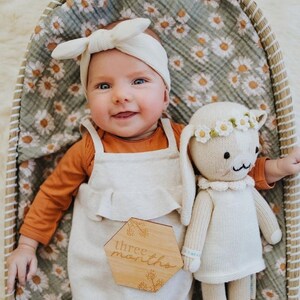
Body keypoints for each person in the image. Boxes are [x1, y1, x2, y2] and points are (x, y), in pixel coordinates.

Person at [7, 18, 300, 299]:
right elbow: (52, 196)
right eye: (103, 86)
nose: (121, 95)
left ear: (164, 96)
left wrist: (274, 168)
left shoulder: (185, 140)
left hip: (168, 280)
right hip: (100, 278)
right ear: (87, 99)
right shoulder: (88, 149)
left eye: (139, 81)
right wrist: (27, 245)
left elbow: (226, 168)